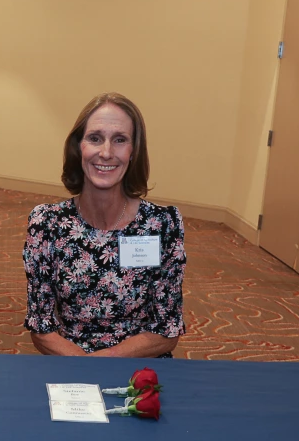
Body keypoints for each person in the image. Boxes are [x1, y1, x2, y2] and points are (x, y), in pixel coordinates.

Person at [22, 92, 186, 357]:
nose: (106, 152)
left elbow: (167, 330)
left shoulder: (162, 225)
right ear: (79, 147)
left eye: (120, 140)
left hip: (138, 368)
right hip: (69, 363)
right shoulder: (47, 224)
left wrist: (99, 364)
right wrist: (84, 371)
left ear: (133, 152)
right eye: (95, 138)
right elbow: (41, 327)